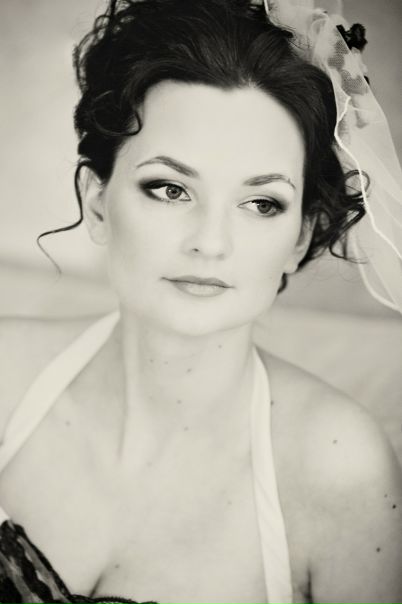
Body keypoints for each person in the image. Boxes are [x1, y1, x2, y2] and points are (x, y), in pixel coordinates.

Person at [0, 0, 401, 602]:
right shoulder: (4, 375)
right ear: (98, 201)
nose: (210, 243)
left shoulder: (341, 467)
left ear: (299, 237)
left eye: (261, 203)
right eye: (169, 188)